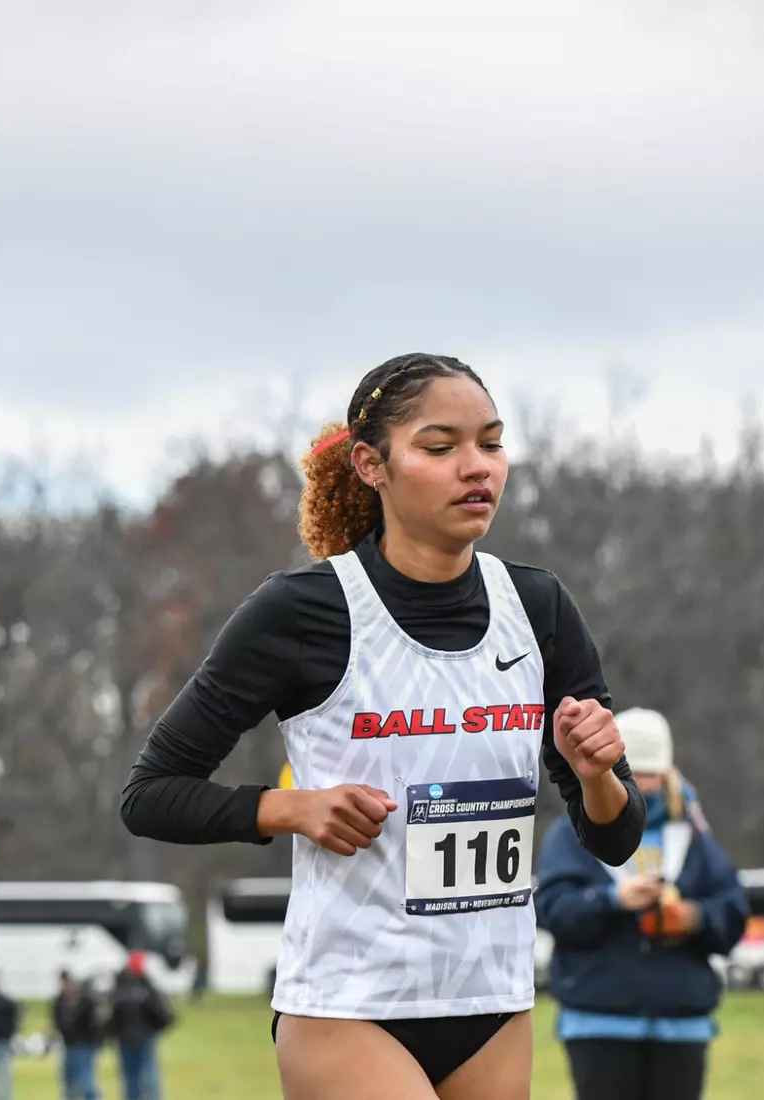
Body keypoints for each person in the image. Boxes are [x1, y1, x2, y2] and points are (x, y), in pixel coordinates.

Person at [120, 353, 646, 1100]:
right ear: (372, 464)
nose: (477, 468)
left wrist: (596, 775)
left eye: (491, 444)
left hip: (492, 1001)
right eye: (441, 448)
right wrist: (291, 809)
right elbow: (150, 794)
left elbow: (615, 836)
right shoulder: (301, 612)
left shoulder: (538, 606)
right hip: (351, 1006)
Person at [534, 706, 748, 1100]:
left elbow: (733, 911)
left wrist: (694, 919)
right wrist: (612, 900)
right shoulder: (572, 834)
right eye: (634, 772)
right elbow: (551, 909)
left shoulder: (695, 835)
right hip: (598, 1021)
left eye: (653, 774)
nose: (644, 786)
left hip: (681, 1023)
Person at [106, 950, 173, 1100]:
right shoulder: (147, 986)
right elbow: (161, 1011)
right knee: (146, 1074)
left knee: (132, 1075)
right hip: (142, 1037)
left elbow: (112, 1014)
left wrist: (111, 1033)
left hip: (130, 1038)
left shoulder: (119, 987)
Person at [53, 971, 103, 1100]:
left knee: (86, 1080)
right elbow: (58, 1022)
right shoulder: (59, 1002)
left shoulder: (86, 1002)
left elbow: (94, 1025)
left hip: (85, 1045)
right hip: (69, 1045)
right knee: (69, 1081)